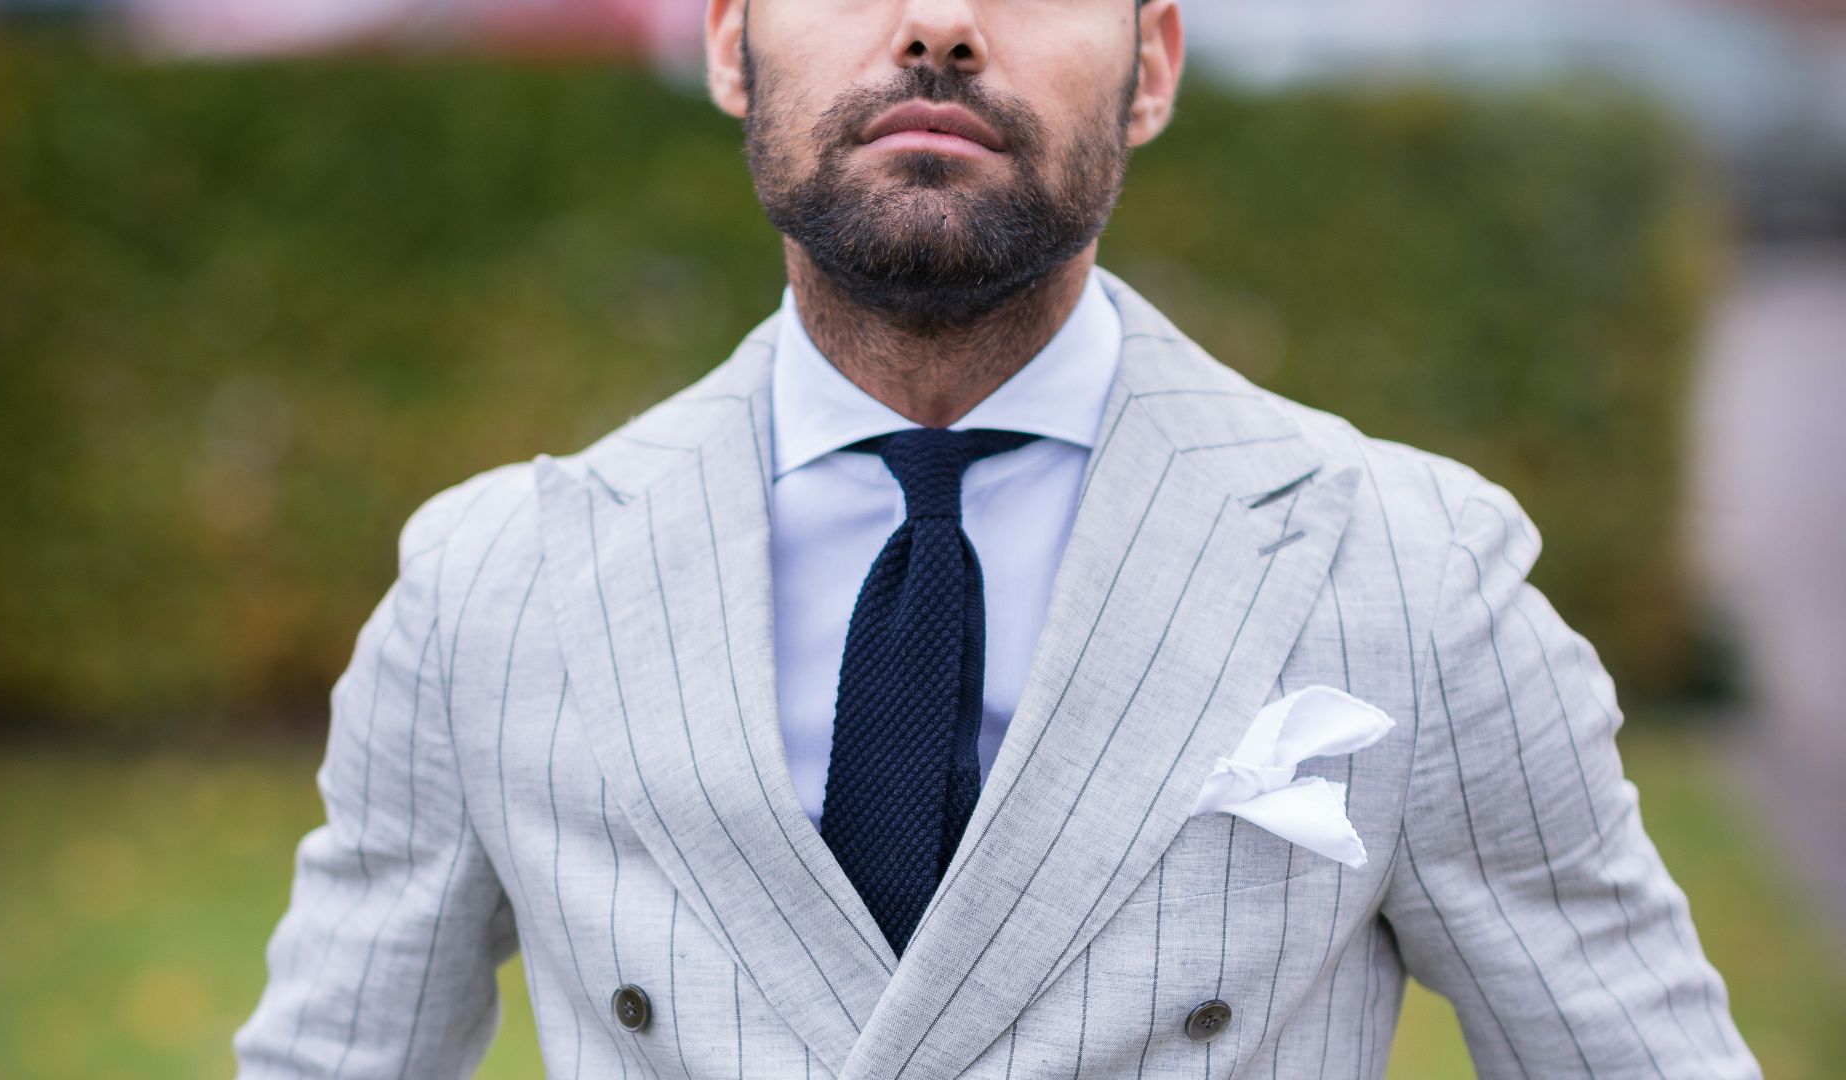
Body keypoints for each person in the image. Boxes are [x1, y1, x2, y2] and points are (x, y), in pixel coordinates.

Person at [233, 1, 1760, 1076]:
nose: (940, 26)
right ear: (729, 43)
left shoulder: (1411, 574)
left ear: (1152, 67)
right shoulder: (494, 588)